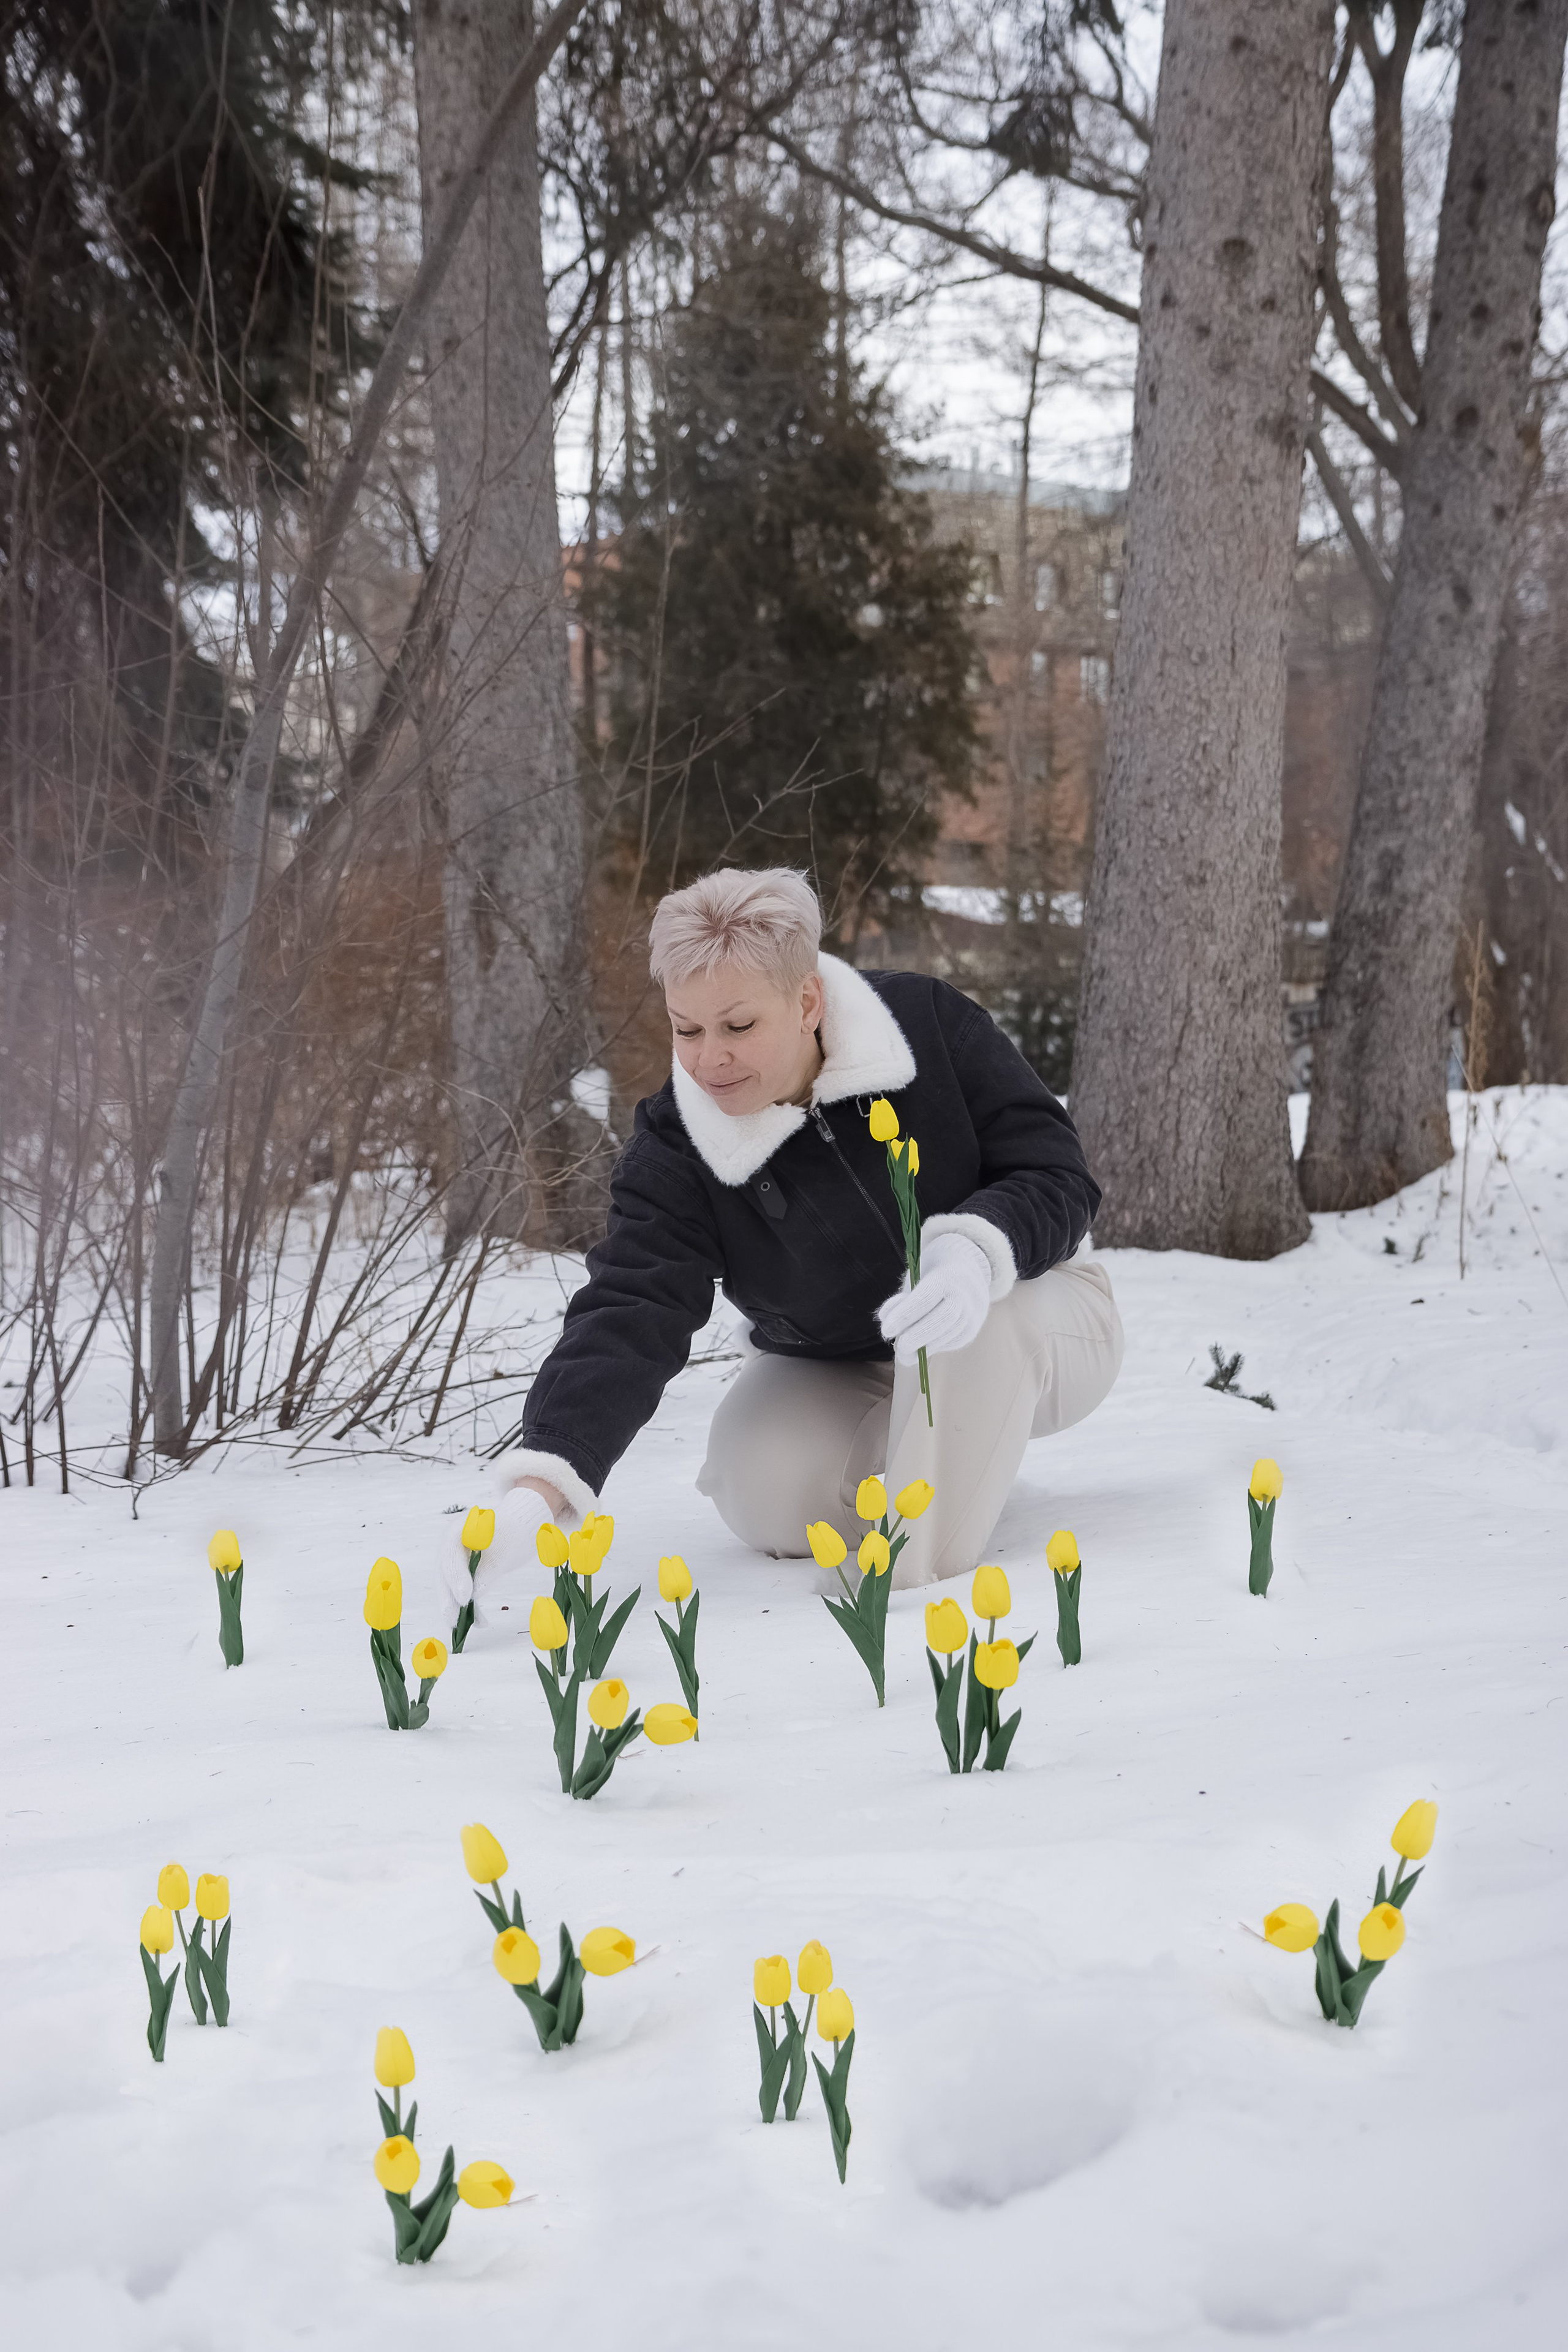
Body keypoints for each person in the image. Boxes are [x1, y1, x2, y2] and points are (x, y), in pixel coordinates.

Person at [441, 866, 1122, 1629]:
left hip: (1030, 1315)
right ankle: (959, 1456)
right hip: (843, 1363)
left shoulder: (926, 1024)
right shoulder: (677, 1146)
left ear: (806, 1003)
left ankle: (901, 1596)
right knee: (755, 1476)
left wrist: (972, 1251)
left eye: (737, 1027)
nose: (708, 1060)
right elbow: (632, 1306)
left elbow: (1057, 1174)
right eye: (686, 1029)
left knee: (978, 1325)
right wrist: (541, 1486)